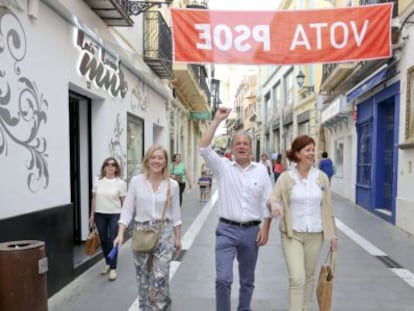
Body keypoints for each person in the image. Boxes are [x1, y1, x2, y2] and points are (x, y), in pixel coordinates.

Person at [199, 107, 273, 311]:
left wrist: (266, 228)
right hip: (226, 231)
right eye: (237, 143)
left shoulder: (261, 171)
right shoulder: (222, 167)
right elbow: (204, 148)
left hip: (252, 232)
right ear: (231, 148)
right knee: (223, 279)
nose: (242, 146)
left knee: (247, 280)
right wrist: (216, 120)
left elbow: (268, 200)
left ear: (251, 148)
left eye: (245, 144)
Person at [268, 135, 338, 311]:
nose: (312, 153)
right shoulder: (285, 177)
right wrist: (275, 205)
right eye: (308, 150)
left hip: (316, 234)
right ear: (297, 154)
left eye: (313, 149)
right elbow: (273, 198)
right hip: (292, 234)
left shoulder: (321, 178)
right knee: (297, 278)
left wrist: (333, 235)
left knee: (309, 277)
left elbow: (328, 207)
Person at [113, 145, 182, 309]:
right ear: (147, 160)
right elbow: (127, 209)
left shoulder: (172, 185)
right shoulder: (136, 182)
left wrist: (178, 238)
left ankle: (160, 306)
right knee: (143, 279)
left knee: (160, 277)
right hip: (141, 233)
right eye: (153, 157)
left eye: (160, 157)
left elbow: (176, 214)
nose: (156, 161)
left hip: (164, 232)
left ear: (165, 161)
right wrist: (120, 233)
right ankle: (145, 307)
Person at [89, 157, 127, 281]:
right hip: (100, 213)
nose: (110, 167)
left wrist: (124, 218)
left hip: (115, 214)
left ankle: (113, 268)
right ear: (104, 167)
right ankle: (107, 262)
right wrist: (92, 214)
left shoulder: (120, 183)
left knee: (113, 240)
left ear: (116, 168)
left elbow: (124, 201)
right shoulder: (97, 181)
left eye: (113, 165)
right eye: (107, 164)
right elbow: (94, 198)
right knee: (104, 240)